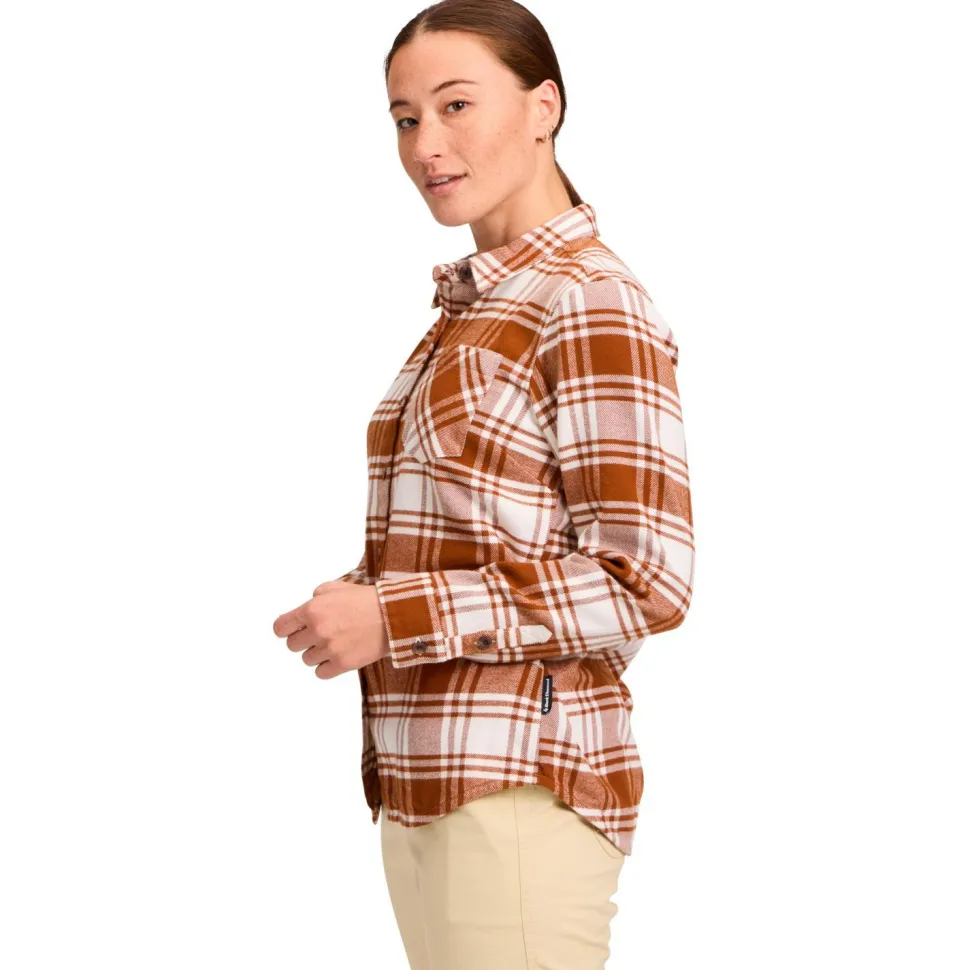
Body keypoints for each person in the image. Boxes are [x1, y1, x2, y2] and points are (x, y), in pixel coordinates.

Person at [272, 1, 694, 966]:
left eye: (456, 104)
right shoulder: (475, 310)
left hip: (520, 788)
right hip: (427, 786)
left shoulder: (588, 301)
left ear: (545, 106)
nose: (426, 144)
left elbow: (646, 580)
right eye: (405, 117)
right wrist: (362, 596)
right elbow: (491, 533)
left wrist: (393, 617)